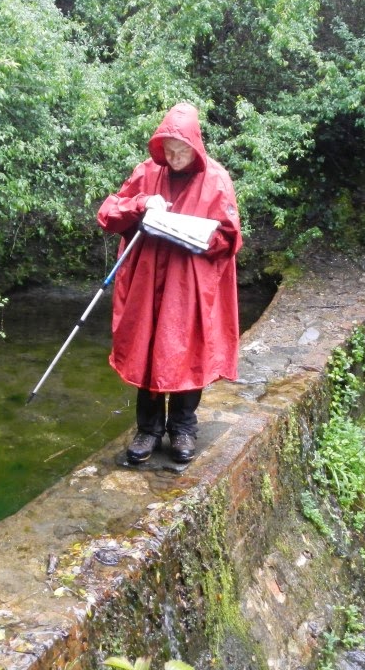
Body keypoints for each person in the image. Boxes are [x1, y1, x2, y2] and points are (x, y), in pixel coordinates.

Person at [97, 103, 242, 464]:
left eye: (181, 150)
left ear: (196, 146)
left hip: (189, 284)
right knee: (147, 348)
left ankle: (183, 428)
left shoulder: (216, 180)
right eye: (168, 151)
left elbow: (229, 238)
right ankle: (148, 429)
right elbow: (108, 214)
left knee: (186, 351)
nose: (174, 158)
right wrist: (143, 204)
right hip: (147, 282)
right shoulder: (146, 173)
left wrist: (195, 233)